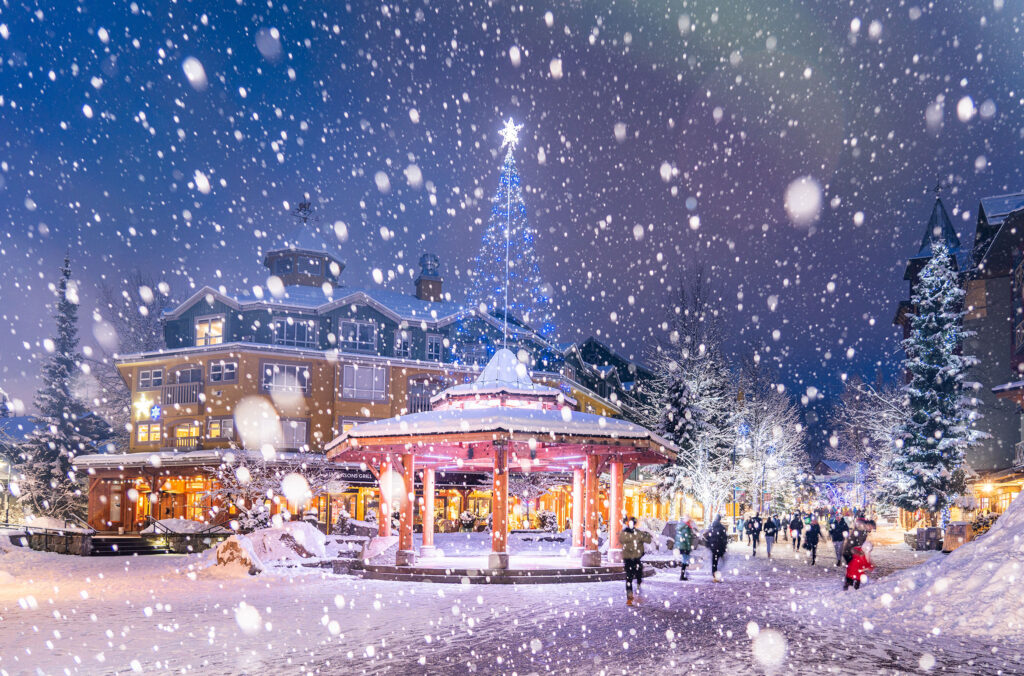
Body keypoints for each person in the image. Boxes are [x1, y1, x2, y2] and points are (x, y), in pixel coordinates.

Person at [619, 517, 652, 605]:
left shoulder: (624, 533)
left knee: (629, 579)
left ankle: (629, 598)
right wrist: (647, 534)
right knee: (638, 575)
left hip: (628, 560)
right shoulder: (638, 533)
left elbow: (620, 540)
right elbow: (648, 540)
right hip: (636, 559)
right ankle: (638, 587)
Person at [706, 514, 729, 583]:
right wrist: (724, 547)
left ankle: (714, 574)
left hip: (713, 547)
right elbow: (725, 539)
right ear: (720, 519)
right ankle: (716, 574)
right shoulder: (722, 528)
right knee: (721, 562)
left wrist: (709, 545)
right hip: (720, 547)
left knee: (714, 562)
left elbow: (707, 537)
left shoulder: (711, 527)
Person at [674, 517, 695, 581]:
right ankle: (682, 576)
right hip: (685, 547)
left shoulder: (683, 527)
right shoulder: (686, 528)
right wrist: (689, 547)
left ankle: (683, 574)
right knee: (685, 561)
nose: (691, 523)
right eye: (690, 521)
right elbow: (687, 539)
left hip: (682, 547)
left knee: (685, 560)